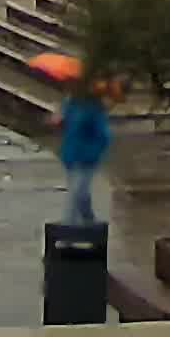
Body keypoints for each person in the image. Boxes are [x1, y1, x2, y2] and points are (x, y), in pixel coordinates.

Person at [55, 76, 115, 229]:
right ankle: (88, 219)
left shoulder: (94, 108)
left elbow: (104, 135)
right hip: (70, 155)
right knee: (81, 192)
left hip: (87, 158)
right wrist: (58, 120)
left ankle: (68, 227)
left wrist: (93, 152)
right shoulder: (69, 104)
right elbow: (65, 124)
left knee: (76, 191)